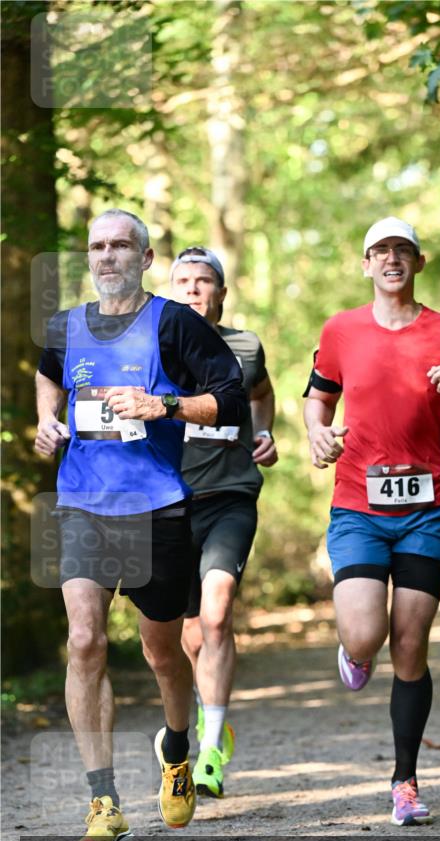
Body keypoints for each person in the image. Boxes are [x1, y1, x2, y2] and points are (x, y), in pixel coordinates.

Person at [34, 209, 246, 841]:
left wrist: (167, 405)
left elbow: (230, 397)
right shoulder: (66, 325)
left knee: (161, 653)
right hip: (82, 504)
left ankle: (177, 751)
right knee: (84, 640)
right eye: (97, 246)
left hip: (158, 508)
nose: (107, 256)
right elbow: (47, 375)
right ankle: (104, 801)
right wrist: (47, 422)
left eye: (121, 245)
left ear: (145, 257)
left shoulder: (174, 322)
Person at [303, 217, 440, 826]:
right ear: (365, 264)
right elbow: (318, 395)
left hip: (426, 512)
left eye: (402, 250)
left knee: (411, 646)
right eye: (380, 251)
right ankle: (355, 649)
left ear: (419, 262)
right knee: (365, 636)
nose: (391, 259)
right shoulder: (340, 330)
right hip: (359, 508)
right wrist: (318, 432)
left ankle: (405, 782)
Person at [169, 246, 278, 798]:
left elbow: (262, 393)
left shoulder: (245, 345)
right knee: (189, 633)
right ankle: (210, 717)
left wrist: (264, 432)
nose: (192, 288)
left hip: (231, 495)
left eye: (203, 280)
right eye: (183, 280)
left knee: (217, 614)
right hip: (169, 502)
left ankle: (210, 748)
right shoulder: (153, 348)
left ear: (221, 292)